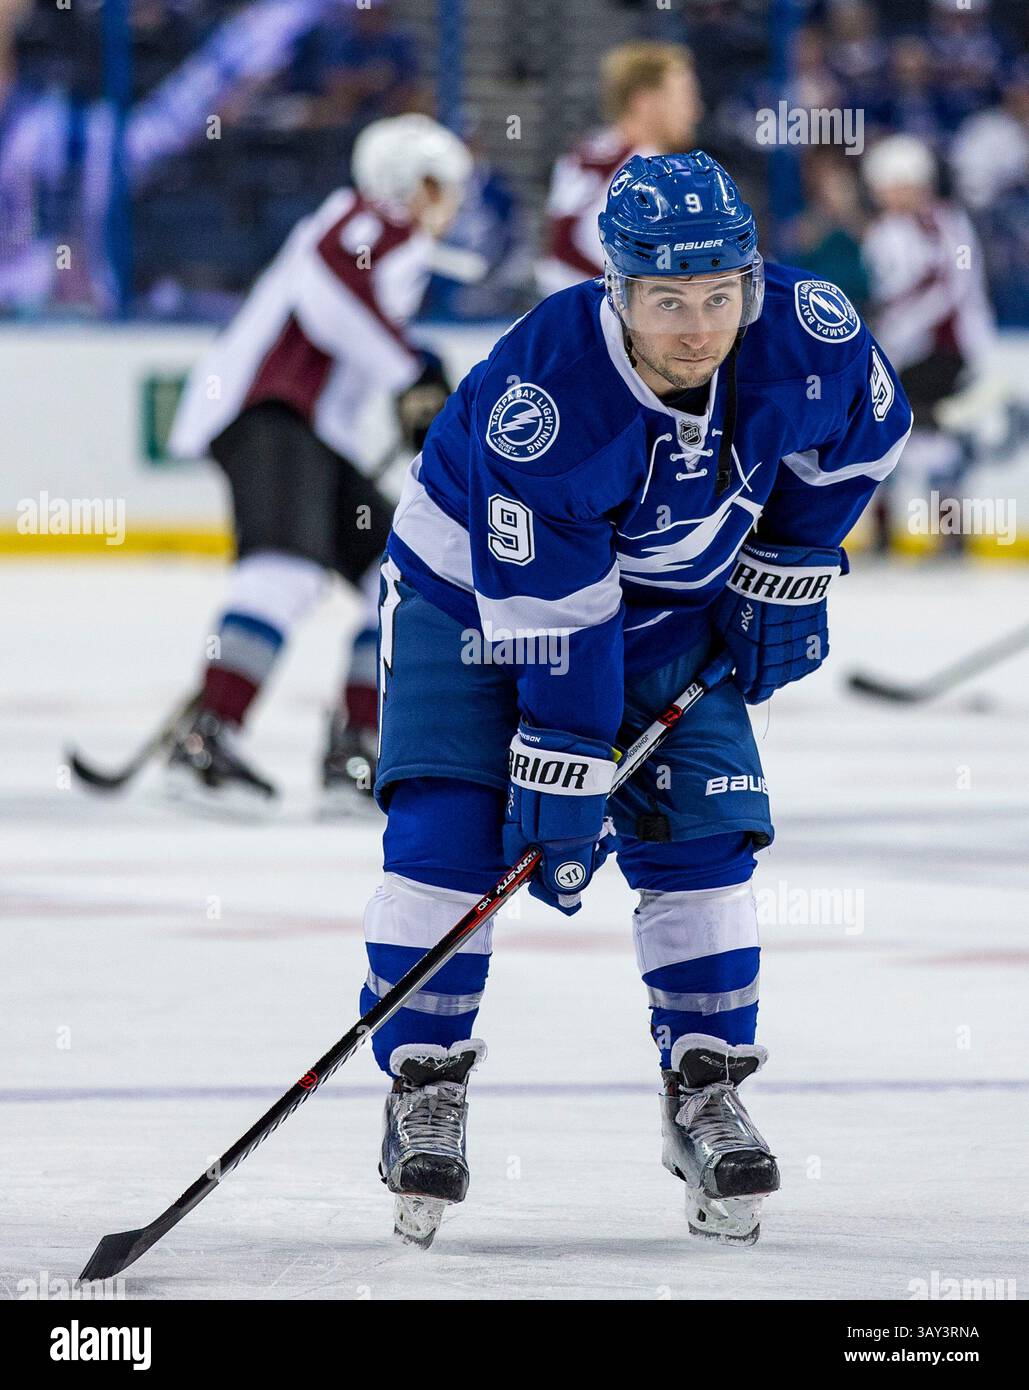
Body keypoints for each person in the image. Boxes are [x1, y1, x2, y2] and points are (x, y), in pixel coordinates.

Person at [359, 151, 912, 1247]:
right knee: (448, 837)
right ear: (616, 287)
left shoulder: (809, 335)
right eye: (667, 300)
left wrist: (789, 559)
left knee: (704, 839)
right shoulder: (548, 398)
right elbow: (559, 623)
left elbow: (864, 441)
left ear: (749, 279)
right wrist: (566, 762)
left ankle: (704, 1086)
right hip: (467, 600)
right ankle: (424, 1081)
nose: (698, 328)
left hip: (667, 606)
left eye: (718, 296)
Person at [166, 113, 471, 812]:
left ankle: (354, 748)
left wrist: (413, 374)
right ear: (409, 183)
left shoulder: (387, 237)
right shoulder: (370, 220)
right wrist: (410, 371)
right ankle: (208, 738)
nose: (450, 204)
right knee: (285, 570)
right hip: (270, 411)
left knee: (401, 575)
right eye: (441, 186)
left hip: (313, 432)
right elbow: (330, 297)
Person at [861, 134, 996, 552]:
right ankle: (886, 531)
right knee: (889, 434)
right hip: (905, 351)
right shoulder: (887, 230)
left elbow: (949, 286)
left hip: (942, 349)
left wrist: (893, 329)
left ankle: (949, 532)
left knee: (929, 436)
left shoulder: (944, 222)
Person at [536, 40, 702, 295]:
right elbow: (568, 243)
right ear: (644, 101)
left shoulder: (590, 149)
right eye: (683, 96)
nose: (695, 110)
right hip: (592, 309)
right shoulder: (646, 168)